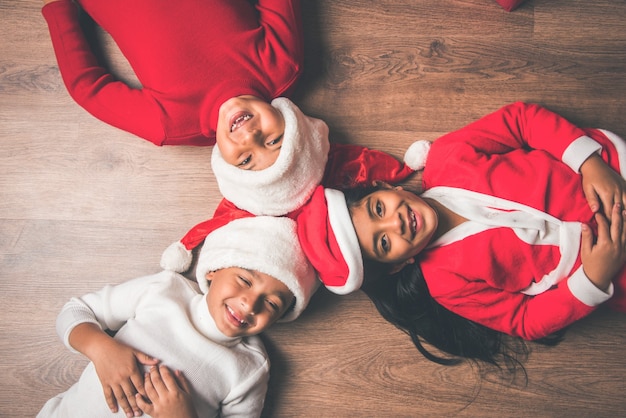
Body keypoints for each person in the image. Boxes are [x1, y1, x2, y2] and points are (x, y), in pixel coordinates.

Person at [289, 102, 626, 364]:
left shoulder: (447, 157)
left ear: (383, 186)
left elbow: (520, 120)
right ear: (396, 265)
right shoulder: (446, 285)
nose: (396, 223)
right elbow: (524, 321)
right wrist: (593, 280)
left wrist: (588, 163)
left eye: (379, 209)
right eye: (384, 242)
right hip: (613, 268)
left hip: (611, 171)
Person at [38, 216, 318, 418]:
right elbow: (75, 311)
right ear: (214, 269)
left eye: (271, 302)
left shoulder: (249, 369)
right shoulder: (165, 290)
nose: (249, 303)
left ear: (281, 316)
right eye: (244, 280)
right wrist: (101, 349)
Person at [41, 0, 315, 172]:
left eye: (245, 160)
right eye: (274, 140)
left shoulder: (171, 124)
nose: (250, 139)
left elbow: (88, 89)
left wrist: (59, 9)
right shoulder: (281, 63)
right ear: (293, 122)